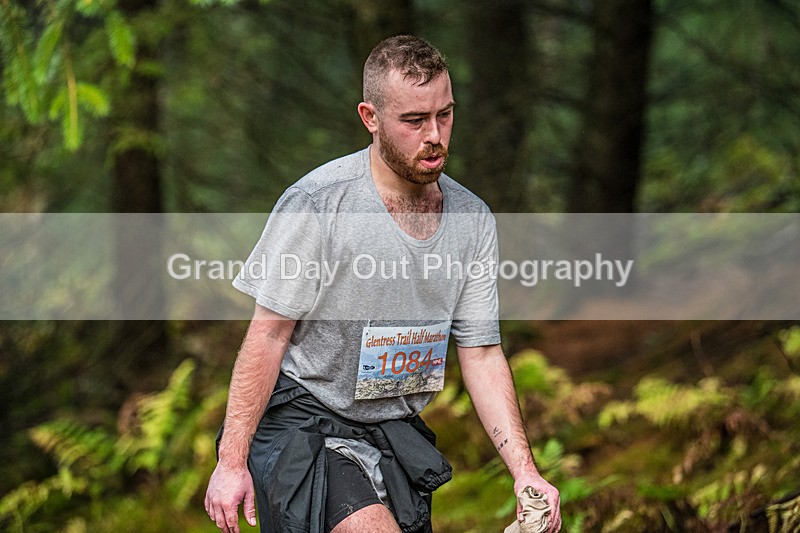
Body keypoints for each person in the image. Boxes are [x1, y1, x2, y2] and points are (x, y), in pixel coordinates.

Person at [204, 35, 561, 533]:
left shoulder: (472, 219)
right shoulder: (318, 203)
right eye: (414, 121)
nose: (434, 135)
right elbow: (268, 333)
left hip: (395, 430)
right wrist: (231, 461)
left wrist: (526, 473)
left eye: (445, 114)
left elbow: (480, 353)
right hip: (304, 420)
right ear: (370, 118)